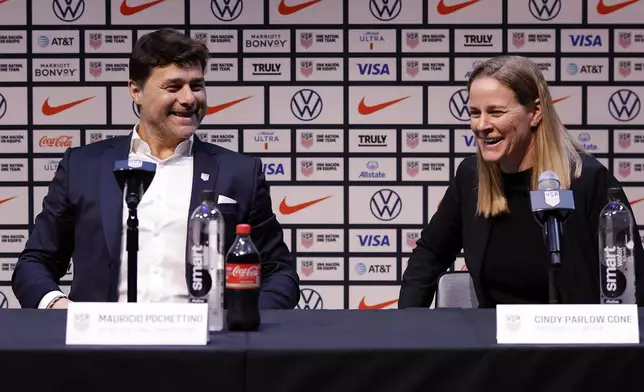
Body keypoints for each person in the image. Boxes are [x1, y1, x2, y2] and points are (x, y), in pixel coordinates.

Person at [12, 28, 299, 310]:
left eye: (196, 86)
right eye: (173, 87)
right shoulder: (83, 166)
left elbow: (278, 272)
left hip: (209, 350)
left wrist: (244, 320)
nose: (189, 98)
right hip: (100, 350)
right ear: (136, 91)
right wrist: (57, 306)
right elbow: (35, 262)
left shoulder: (240, 173)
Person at [399, 55, 644, 308]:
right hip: (492, 341)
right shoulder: (471, 177)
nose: (482, 125)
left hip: (575, 341)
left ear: (535, 112)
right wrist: (406, 327)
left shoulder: (587, 180)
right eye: (475, 113)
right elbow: (429, 255)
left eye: (495, 112)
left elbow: (629, 278)